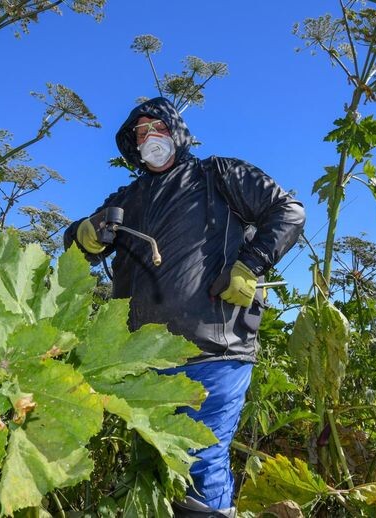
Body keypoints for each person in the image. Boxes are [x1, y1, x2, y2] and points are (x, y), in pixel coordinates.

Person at [64, 97, 305, 517]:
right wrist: (81, 234)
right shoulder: (128, 197)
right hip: (142, 359)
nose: (148, 138)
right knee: (156, 467)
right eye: (139, 134)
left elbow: (289, 212)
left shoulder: (219, 175)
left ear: (175, 131)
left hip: (213, 349)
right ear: (131, 146)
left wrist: (250, 264)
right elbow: (79, 243)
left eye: (156, 128)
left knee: (199, 458)